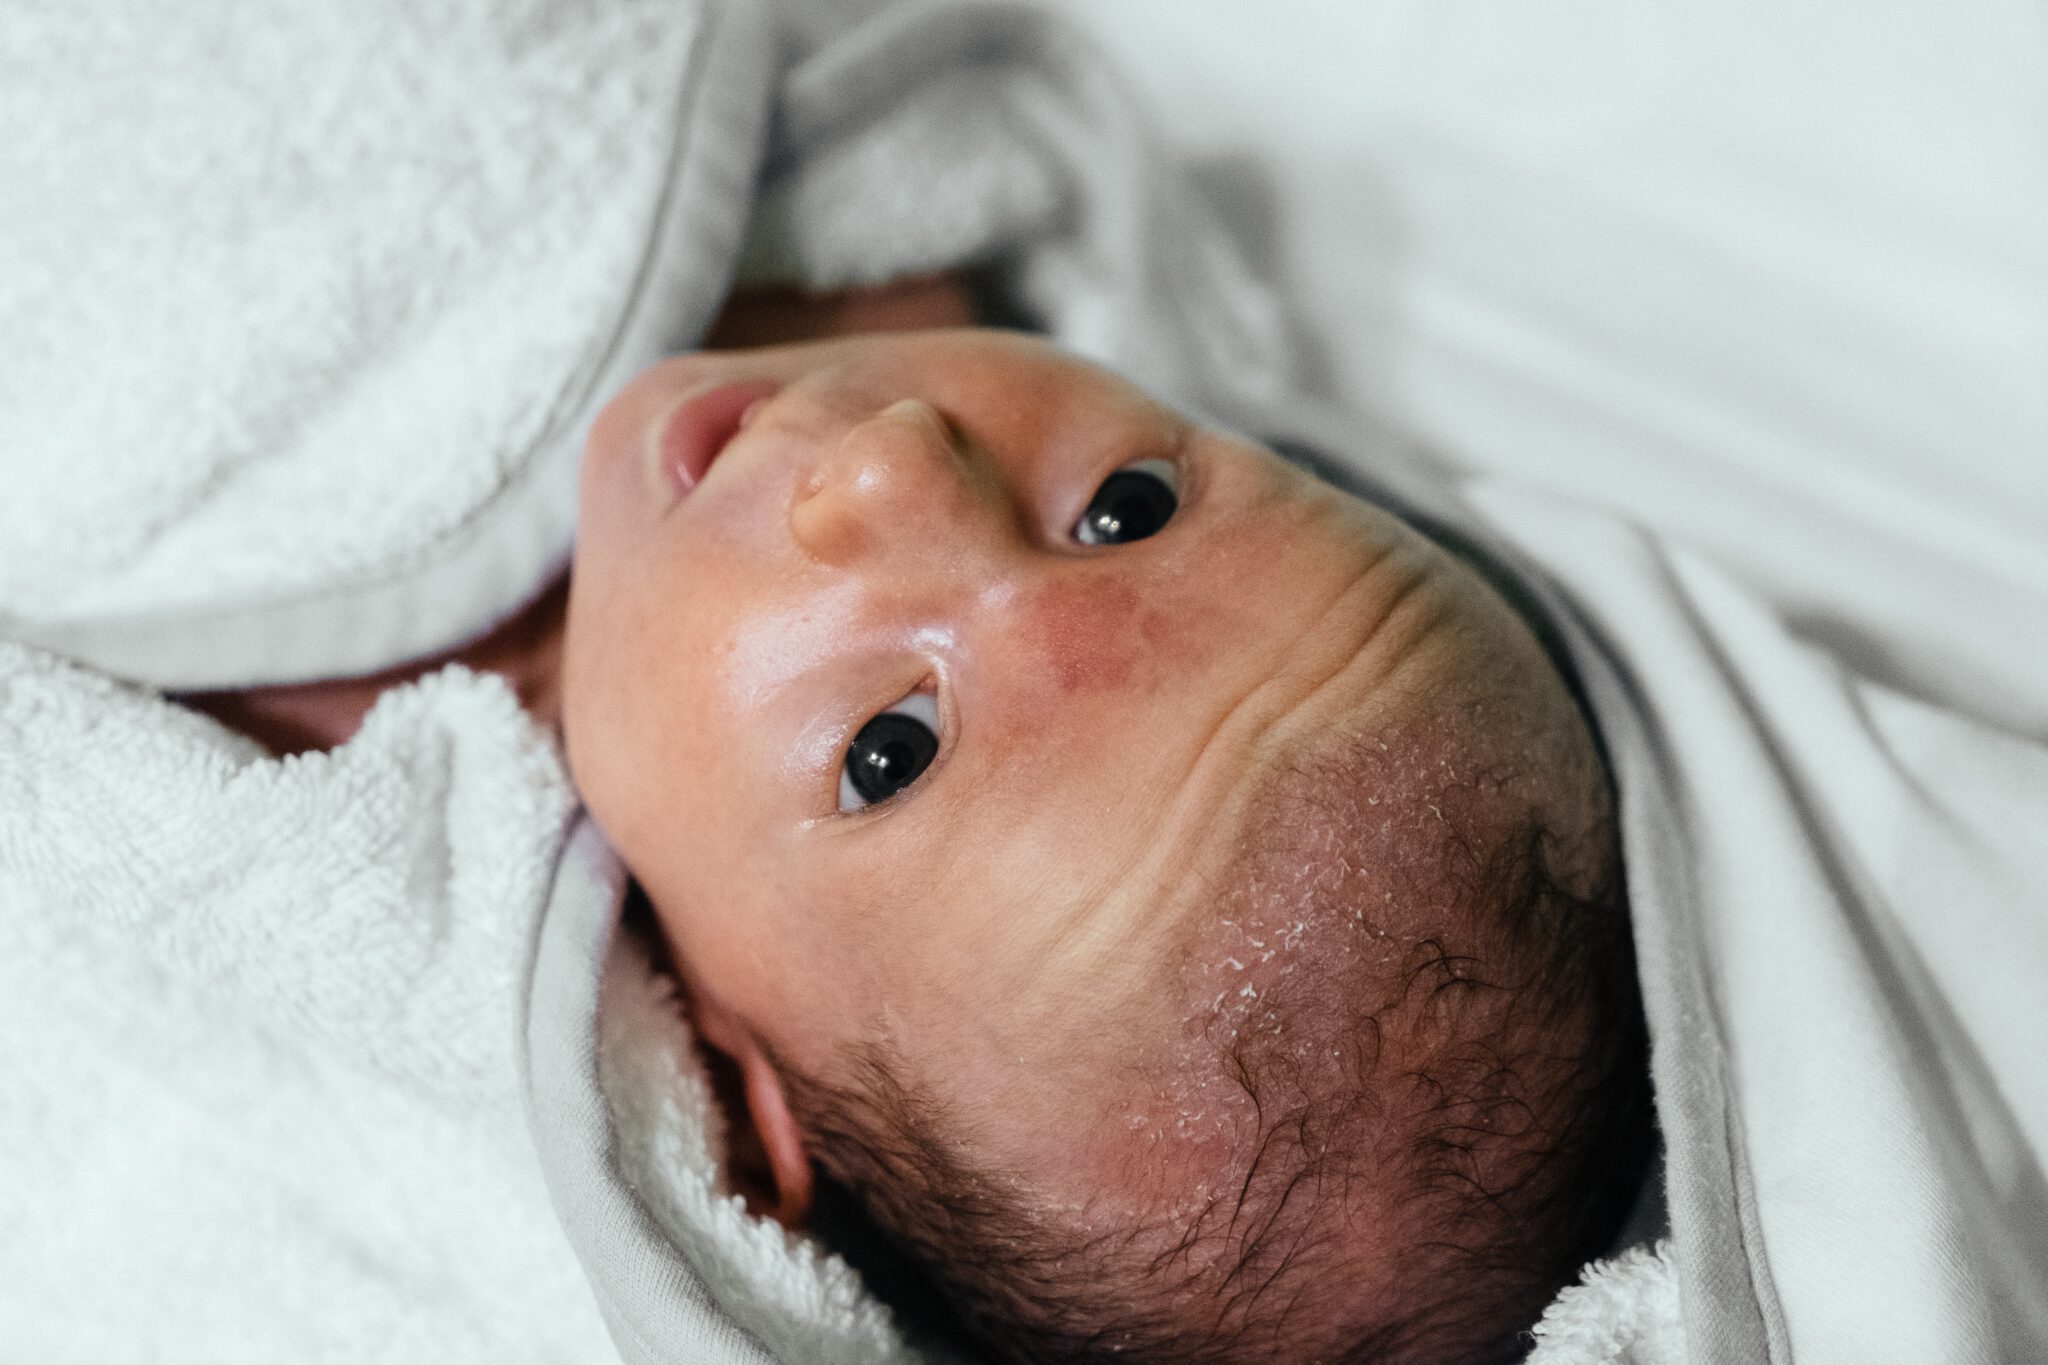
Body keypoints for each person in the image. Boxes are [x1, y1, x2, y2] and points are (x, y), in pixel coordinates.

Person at [186, 280, 1654, 1364]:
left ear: (718, 1080)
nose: (893, 458)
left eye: (892, 750)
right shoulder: (872, 260)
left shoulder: (279, 781)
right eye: (1127, 507)